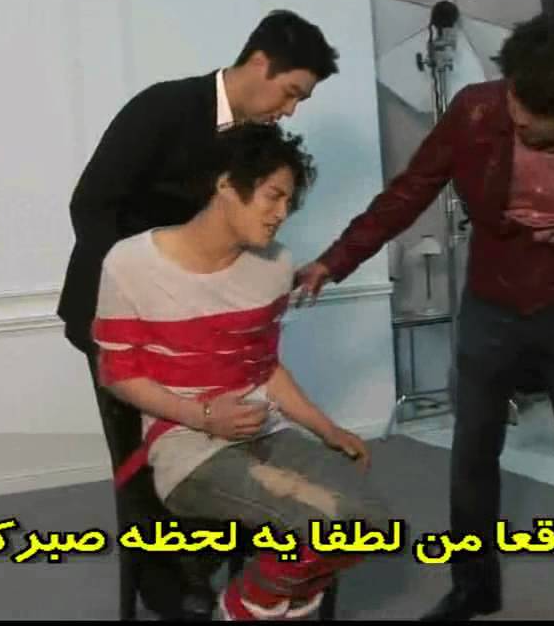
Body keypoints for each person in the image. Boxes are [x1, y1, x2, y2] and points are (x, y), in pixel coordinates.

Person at [295, 7, 554, 620]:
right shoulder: (476, 111)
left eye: (537, 115)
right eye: (515, 98)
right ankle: (472, 585)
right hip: (493, 303)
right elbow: (409, 191)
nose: (519, 117)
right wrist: (334, 261)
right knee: (471, 453)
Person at [57, 9, 340, 619]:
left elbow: (227, 230)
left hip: (202, 319)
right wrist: (148, 287)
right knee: (143, 456)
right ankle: (172, 586)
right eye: (291, 92)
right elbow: (92, 206)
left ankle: (218, 559)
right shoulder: (161, 107)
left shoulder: (253, 145)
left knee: (216, 439)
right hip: (121, 315)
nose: (291, 110)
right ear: (260, 64)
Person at [93, 122, 390, 621]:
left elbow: (265, 367)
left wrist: (327, 428)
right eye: (273, 196)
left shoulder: (274, 266)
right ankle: (261, 602)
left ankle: (258, 599)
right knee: (325, 524)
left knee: (375, 524)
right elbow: (115, 373)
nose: (281, 214)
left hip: (264, 432)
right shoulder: (131, 263)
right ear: (226, 184)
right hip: (186, 447)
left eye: (289, 202)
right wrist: (204, 415)